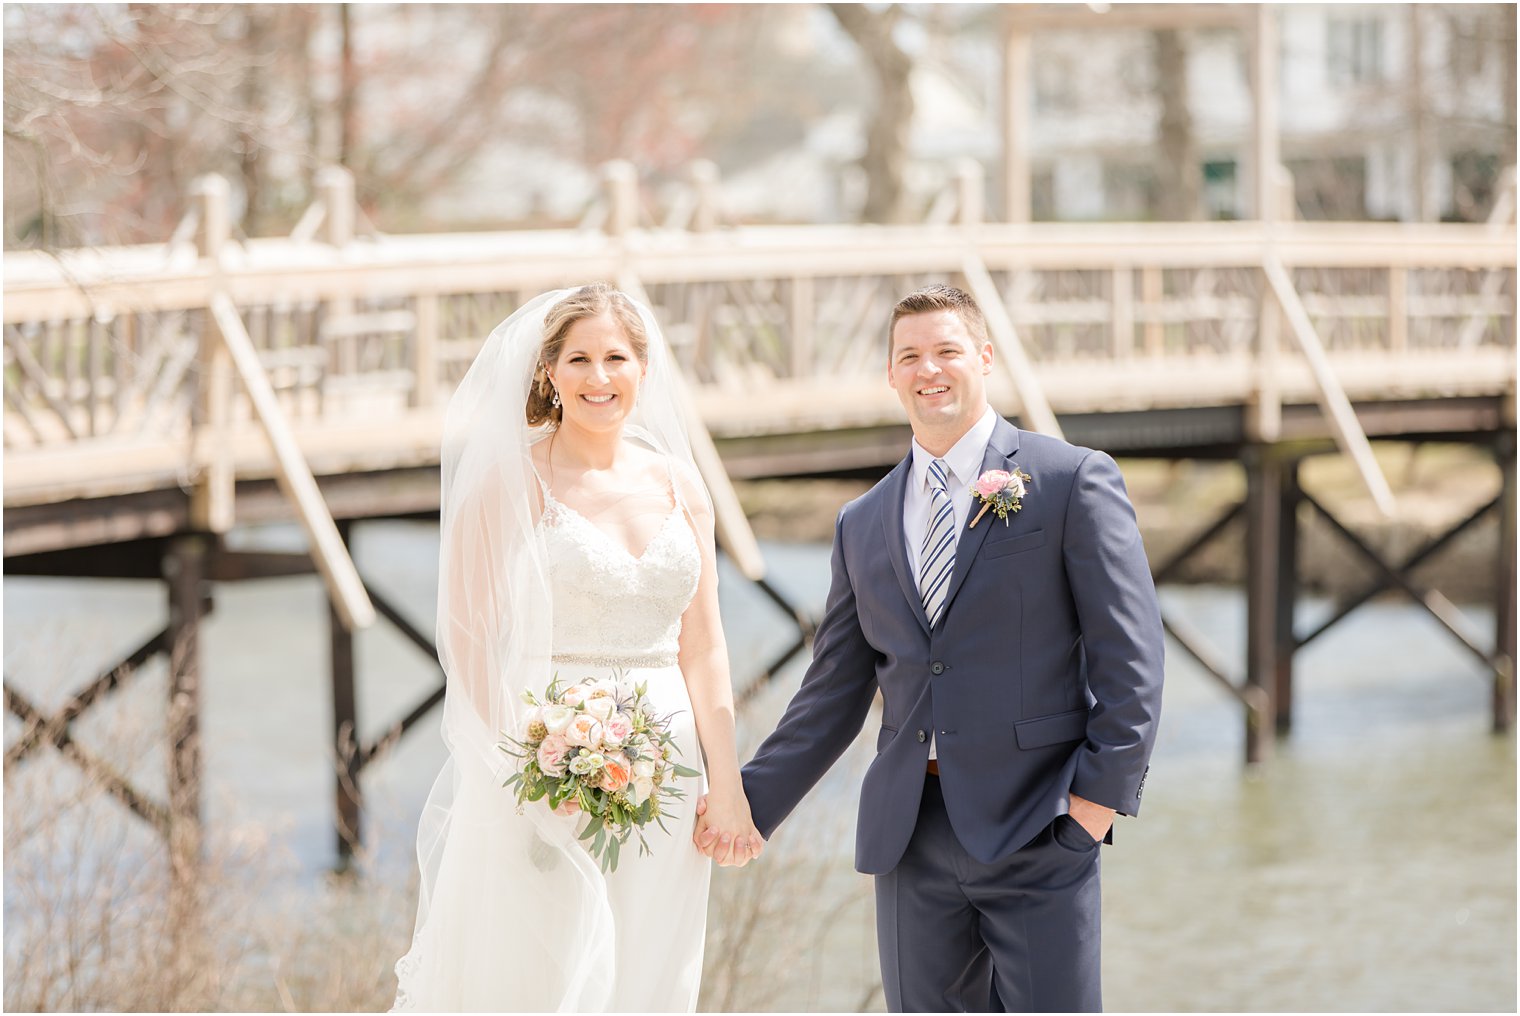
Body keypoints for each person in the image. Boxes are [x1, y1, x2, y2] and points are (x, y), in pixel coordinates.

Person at [700, 284, 1164, 1011]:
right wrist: (744, 806)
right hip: (908, 840)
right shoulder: (863, 522)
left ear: (983, 357)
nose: (929, 369)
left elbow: (1132, 661)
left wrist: (1094, 808)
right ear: (890, 375)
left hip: (1039, 826)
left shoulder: (1070, 480)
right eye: (909, 355)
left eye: (947, 350)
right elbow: (832, 694)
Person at [392, 284, 762, 1012]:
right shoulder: (511, 482)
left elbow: (704, 645)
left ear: (643, 370)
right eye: (580, 359)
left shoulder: (682, 486)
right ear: (548, 374)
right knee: (551, 969)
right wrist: (517, 760)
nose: (600, 377)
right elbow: (467, 637)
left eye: (616, 358)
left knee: (653, 963)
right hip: (548, 759)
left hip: (672, 766)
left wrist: (728, 783)